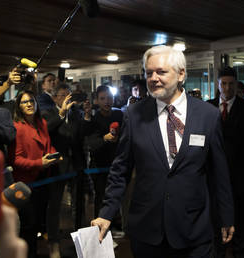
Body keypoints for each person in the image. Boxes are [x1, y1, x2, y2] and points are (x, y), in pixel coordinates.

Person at [91, 45, 234, 258]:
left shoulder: (207, 115)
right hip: (148, 230)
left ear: (181, 74)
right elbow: (120, 169)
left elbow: (219, 173)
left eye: (161, 72)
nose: (153, 78)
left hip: (194, 229)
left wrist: (226, 215)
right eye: (149, 73)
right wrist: (107, 213)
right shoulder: (134, 114)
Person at [207, 67, 244, 258]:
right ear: (218, 85)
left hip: (239, 176)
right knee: (215, 222)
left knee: (240, 223)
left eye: (231, 84)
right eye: (223, 83)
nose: (227, 88)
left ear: (236, 85)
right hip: (213, 177)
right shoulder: (208, 107)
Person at [8, 90, 60, 258]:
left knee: (38, 224)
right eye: (24, 102)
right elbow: (15, 160)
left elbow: (47, 146)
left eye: (31, 101)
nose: (29, 104)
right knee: (28, 228)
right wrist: (40, 163)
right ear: (18, 106)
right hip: (27, 183)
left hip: (44, 179)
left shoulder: (41, 122)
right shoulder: (17, 127)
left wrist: (53, 155)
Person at [41, 83, 86, 258]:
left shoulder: (76, 114)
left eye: (69, 95)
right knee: (55, 206)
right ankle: (54, 243)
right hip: (57, 166)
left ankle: (81, 240)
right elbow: (47, 130)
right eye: (63, 95)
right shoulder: (48, 113)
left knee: (79, 204)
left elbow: (78, 138)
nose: (68, 98)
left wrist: (86, 116)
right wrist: (62, 113)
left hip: (75, 165)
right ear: (54, 98)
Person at [83, 85, 123, 218]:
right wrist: (104, 139)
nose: (107, 101)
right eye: (103, 98)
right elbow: (91, 144)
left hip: (117, 165)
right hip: (99, 167)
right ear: (97, 101)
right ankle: (99, 229)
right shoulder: (94, 120)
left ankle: (116, 225)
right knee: (101, 198)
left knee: (117, 197)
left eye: (110, 98)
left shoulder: (119, 114)